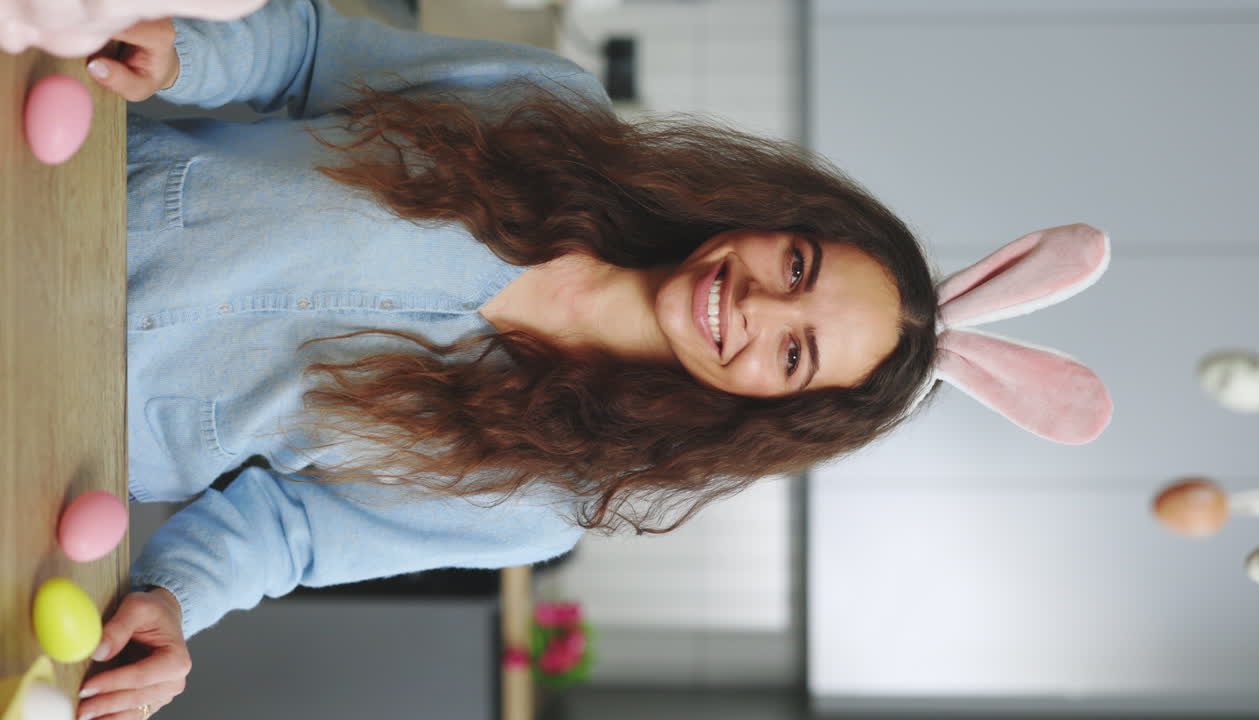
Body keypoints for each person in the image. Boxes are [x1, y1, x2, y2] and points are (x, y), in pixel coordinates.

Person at [70, 2, 1111, 718]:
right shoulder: (546, 110)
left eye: (794, 352)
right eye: (796, 264)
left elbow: (288, 533)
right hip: (55, 195)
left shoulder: (537, 501)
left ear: (772, 408)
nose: (756, 304)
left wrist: (174, 602)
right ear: (778, 215)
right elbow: (310, 56)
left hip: (64, 426)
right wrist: (189, 55)